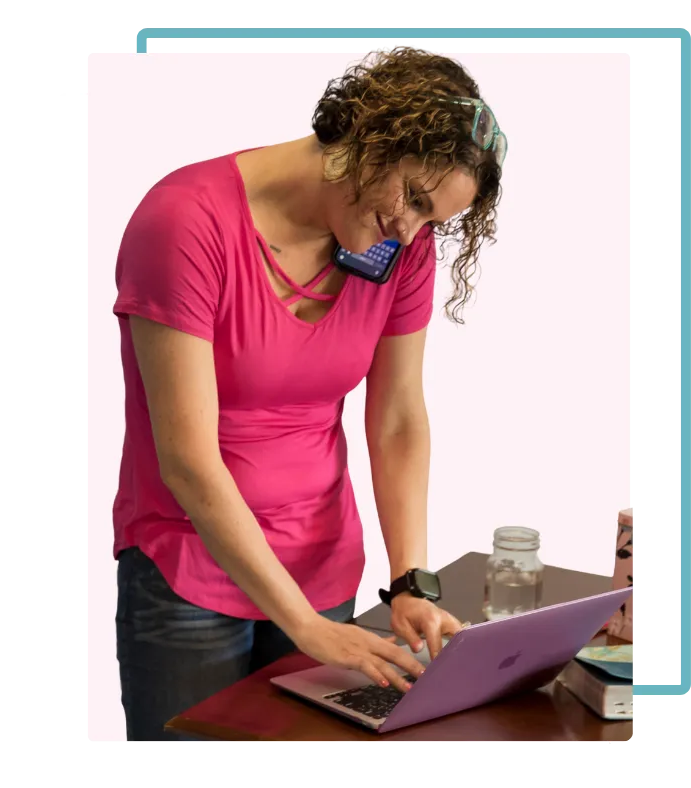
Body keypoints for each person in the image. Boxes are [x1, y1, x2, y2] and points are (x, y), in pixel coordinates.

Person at [111, 51, 506, 741]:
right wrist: (304, 627)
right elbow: (187, 459)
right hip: (188, 575)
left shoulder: (401, 249)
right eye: (415, 198)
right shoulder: (184, 222)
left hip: (324, 565)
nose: (414, 233)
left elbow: (398, 418)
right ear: (372, 139)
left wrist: (410, 578)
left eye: (435, 220)